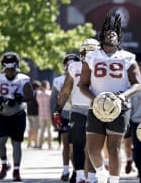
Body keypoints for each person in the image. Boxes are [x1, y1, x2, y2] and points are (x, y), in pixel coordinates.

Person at [79, 11, 141, 183]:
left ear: (119, 37)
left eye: (115, 32)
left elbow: (137, 84)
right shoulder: (91, 56)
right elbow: (82, 85)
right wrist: (95, 99)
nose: (112, 33)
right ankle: (101, 173)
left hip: (119, 108)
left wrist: (122, 97)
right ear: (102, 36)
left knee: (113, 148)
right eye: (108, 31)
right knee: (92, 149)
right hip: (96, 106)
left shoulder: (128, 57)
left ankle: (114, 181)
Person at [54, 38, 100, 183]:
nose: (89, 55)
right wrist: (58, 109)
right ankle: (80, 175)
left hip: (97, 109)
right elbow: (66, 90)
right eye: (86, 52)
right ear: (81, 52)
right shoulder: (74, 67)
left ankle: (92, 176)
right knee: (78, 143)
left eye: (92, 52)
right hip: (78, 108)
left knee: (93, 145)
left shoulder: (104, 66)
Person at [0, 51, 35, 181]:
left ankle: (16, 170)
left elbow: (31, 96)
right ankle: (4, 164)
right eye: (7, 68)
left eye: (12, 68)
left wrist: (20, 98)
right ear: (3, 67)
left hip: (18, 114)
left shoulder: (23, 79)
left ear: (16, 66)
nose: (10, 71)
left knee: (16, 143)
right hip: (3, 113)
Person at [50, 53, 80, 181]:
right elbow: (53, 101)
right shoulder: (58, 80)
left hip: (78, 114)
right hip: (64, 114)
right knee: (66, 143)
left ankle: (76, 170)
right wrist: (54, 115)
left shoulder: (82, 77)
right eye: (68, 65)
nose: (70, 67)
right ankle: (66, 169)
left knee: (75, 145)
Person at [37, 80, 53, 150]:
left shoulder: (38, 94)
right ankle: (50, 145)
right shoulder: (50, 94)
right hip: (49, 114)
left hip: (41, 114)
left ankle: (40, 144)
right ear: (47, 86)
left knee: (42, 130)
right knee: (49, 130)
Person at [27, 80, 41, 148]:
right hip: (36, 113)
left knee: (30, 129)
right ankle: (36, 144)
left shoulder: (29, 93)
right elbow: (38, 103)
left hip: (29, 113)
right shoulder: (37, 93)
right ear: (37, 87)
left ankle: (29, 143)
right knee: (36, 129)